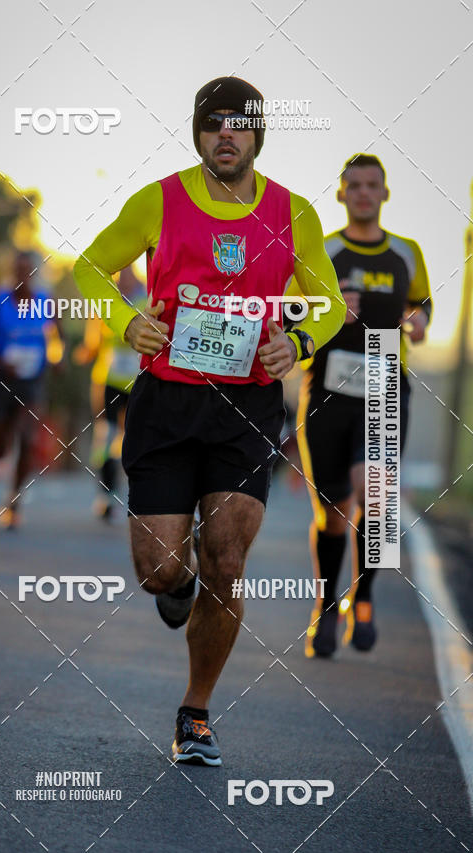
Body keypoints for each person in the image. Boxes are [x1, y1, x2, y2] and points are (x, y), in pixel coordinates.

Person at [75, 76, 345, 766]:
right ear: (197, 132)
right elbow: (89, 269)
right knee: (161, 570)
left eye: (240, 122)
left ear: (257, 134)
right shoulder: (158, 201)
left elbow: (331, 304)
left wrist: (301, 339)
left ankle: (195, 712)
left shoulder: (293, 213)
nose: (226, 133)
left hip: (247, 406)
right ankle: (179, 584)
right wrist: (125, 319)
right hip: (167, 403)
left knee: (228, 560)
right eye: (213, 122)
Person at [295, 154, 432, 658]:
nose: (363, 194)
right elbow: (292, 307)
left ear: (385, 193)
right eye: (354, 185)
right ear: (341, 193)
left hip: (385, 384)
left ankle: (365, 596)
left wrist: (417, 321)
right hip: (328, 389)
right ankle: (325, 606)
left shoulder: (407, 252)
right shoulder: (323, 250)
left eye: (372, 185)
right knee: (331, 512)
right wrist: (329, 306)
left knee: (372, 495)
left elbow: (421, 302)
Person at [0, 250, 59, 530]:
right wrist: (1, 362)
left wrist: (56, 360)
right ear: (12, 272)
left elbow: (56, 336)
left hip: (32, 381)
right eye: (18, 270)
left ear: (34, 273)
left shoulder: (44, 301)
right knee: (0, 448)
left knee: (27, 438)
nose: (22, 276)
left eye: (27, 270)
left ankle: (13, 501)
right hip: (3, 379)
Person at [75, 265, 143, 519]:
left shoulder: (149, 299)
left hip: (138, 382)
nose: (121, 279)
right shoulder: (106, 303)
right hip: (109, 380)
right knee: (106, 436)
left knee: (133, 438)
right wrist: (85, 353)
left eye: (126, 273)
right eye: (117, 275)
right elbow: (93, 343)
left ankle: (137, 493)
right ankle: (106, 494)